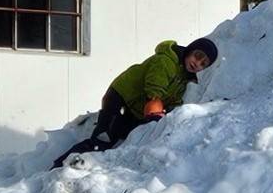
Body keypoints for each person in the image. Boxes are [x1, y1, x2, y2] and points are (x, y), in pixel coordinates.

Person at [52, 37, 217, 167]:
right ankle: (61, 166)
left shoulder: (183, 80)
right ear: (190, 50)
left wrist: (174, 116)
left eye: (204, 64)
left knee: (128, 143)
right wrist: (155, 103)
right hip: (121, 97)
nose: (198, 63)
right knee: (104, 139)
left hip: (136, 109)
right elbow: (155, 83)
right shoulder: (167, 60)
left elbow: (174, 101)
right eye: (198, 55)